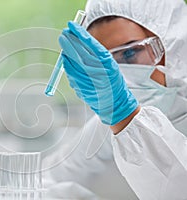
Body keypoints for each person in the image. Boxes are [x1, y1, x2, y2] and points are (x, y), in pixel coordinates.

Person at [43, 0, 187, 199]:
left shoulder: (121, 111)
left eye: (129, 53)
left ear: (172, 44)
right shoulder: (108, 124)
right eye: (104, 63)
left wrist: (124, 115)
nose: (117, 77)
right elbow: (47, 181)